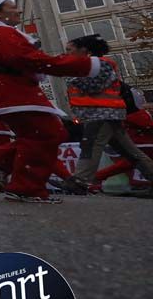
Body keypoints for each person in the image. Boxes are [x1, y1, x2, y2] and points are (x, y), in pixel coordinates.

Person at [0, 0, 98, 203]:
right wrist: (83, 65)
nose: (19, 11)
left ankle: (4, 169)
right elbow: (29, 60)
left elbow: (27, 60)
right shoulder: (1, 34)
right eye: (13, 7)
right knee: (46, 134)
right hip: (11, 93)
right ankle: (23, 185)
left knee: (42, 135)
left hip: (11, 93)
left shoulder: (0, 34)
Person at [60, 35, 153, 193]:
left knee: (91, 145)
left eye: (70, 49)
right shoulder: (92, 66)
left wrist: (71, 76)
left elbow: (93, 87)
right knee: (130, 152)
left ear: (84, 50)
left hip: (101, 114)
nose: (67, 53)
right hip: (105, 114)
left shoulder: (101, 64)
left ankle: (80, 181)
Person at [90, 93, 153, 190]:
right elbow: (147, 124)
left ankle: (97, 177)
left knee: (131, 163)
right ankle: (96, 177)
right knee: (131, 162)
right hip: (137, 144)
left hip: (134, 144)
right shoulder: (134, 113)